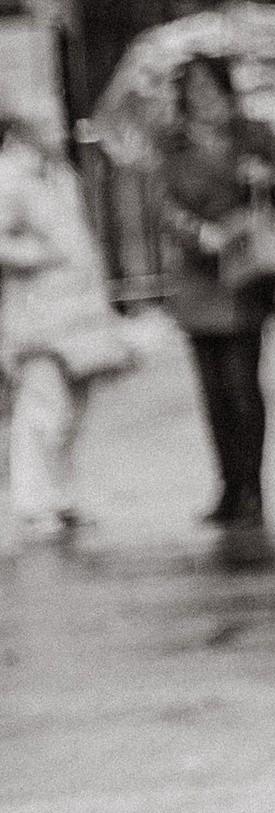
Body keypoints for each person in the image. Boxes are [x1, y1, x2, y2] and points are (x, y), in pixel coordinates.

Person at [156, 54, 275, 533]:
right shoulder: (173, 145)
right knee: (214, 391)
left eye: (209, 85)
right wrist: (198, 233)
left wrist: (266, 181)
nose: (201, 95)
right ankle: (226, 487)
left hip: (246, 276)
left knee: (243, 386)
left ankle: (252, 488)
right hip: (199, 277)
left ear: (225, 87)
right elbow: (163, 206)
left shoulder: (254, 136)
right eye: (192, 87)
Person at [0, 101, 134, 539]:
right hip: (38, 314)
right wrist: (40, 256)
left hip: (76, 312)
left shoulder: (59, 174)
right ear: (22, 132)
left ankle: (60, 495)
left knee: (74, 410)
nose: (56, 132)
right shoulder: (10, 176)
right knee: (42, 408)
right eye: (45, 124)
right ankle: (33, 504)